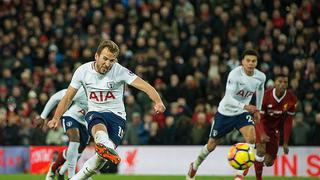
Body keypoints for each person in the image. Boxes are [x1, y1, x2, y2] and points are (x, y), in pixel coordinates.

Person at [47, 39, 166, 180]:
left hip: (117, 117)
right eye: (105, 58)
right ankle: (104, 144)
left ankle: (99, 154)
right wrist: (55, 118)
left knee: (99, 160)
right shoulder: (82, 71)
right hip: (95, 113)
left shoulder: (119, 71)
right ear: (96, 56)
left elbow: (144, 85)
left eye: (112, 60)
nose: (108, 64)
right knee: (98, 127)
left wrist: (158, 101)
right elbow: (67, 98)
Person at [187, 49, 266, 180]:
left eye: (253, 61)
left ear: (256, 62)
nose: (251, 63)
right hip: (225, 113)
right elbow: (228, 98)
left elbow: (260, 89)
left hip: (242, 113)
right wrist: (245, 106)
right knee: (211, 146)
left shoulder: (260, 76)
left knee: (251, 138)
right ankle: (194, 166)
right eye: (248, 60)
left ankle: (239, 175)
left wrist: (258, 109)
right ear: (242, 62)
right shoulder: (234, 75)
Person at [36, 87, 89, 180]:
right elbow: (55, 98)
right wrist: (43, 116)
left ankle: (58, 171)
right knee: (74, 138)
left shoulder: (103, 96)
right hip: (71, 116)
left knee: (78, 150)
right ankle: (71, 176)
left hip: (86, 123)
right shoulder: (81, 90)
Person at [254, 74, 297, 180]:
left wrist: (286, 142)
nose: (282, 84)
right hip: (262, 125)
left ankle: (251, 160)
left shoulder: (291, 99)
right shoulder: (265, 96)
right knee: (261, 150)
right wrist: (262, 133)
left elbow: (288, 121)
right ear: (274, 83)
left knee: (269, 162)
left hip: (275, 130)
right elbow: (258, 117)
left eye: (285, 82)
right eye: (280, 82)